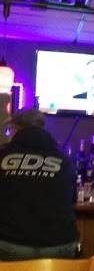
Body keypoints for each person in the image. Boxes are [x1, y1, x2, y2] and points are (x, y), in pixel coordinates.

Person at [0, 108, 79, 260]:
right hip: (61, 247)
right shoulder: (64, 159)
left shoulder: (2, 155)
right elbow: (72, 199)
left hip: (11, 246)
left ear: (15, 129)